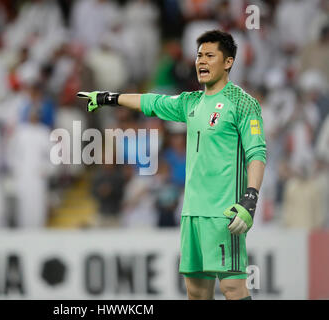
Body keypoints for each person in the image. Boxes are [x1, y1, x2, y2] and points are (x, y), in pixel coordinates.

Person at [77, 30, 266, 300]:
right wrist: (110, 98)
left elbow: (257, 151)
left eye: (210, 55)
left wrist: (250, 198)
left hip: (225, 212)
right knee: (196, 291)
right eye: (199, 55)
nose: (201, 61)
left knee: (232, 287)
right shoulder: (191, 102)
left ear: (228, 62)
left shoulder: (243, 104)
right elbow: (150, 102)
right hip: (191, 212)